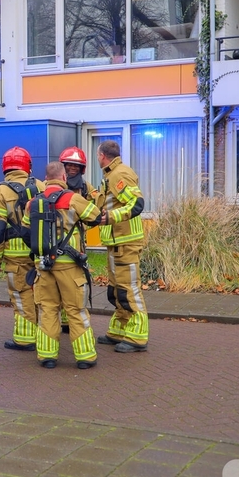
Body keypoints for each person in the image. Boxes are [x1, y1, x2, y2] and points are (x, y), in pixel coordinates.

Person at [32, 162, 103, 369]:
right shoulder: (73, 198)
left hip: (43, 265)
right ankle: (85, 357)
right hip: (69, 266)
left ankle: (47, 356)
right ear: (63, 178)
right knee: (75, 310)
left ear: (46, 178)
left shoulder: (35, 201)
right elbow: (96, 216)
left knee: (47, 310)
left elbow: (27, 230)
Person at [0, 146, 45, 352]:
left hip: (15, 256)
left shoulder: (1, 191)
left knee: (21, 294)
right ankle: (45, 334)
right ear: (27, 165)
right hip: (40, 251)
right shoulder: (41, 185)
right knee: (41, 291)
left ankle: (25, 338)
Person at [95, 140, 149, 353]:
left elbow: (136, 204)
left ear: (102, 155)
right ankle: (120, 330)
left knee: (129, 289)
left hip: (126, 241)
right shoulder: (111, 174)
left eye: (97, 155)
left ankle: (137, 337)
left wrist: (110, 216)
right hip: (116, 242)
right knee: (116, 290)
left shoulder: (118, 174)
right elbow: (107, 203)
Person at [58, 146, 99, 334]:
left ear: (81, 168)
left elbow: (95, 210)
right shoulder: (55, 185)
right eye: (69, 165)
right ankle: (62, 319)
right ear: (63, 166)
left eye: (76, 166)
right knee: (57, 284)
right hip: (56, 242)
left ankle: (68, 321)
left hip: (77, 241)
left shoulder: (86, 188)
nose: (72, 169)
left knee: (76, 283)